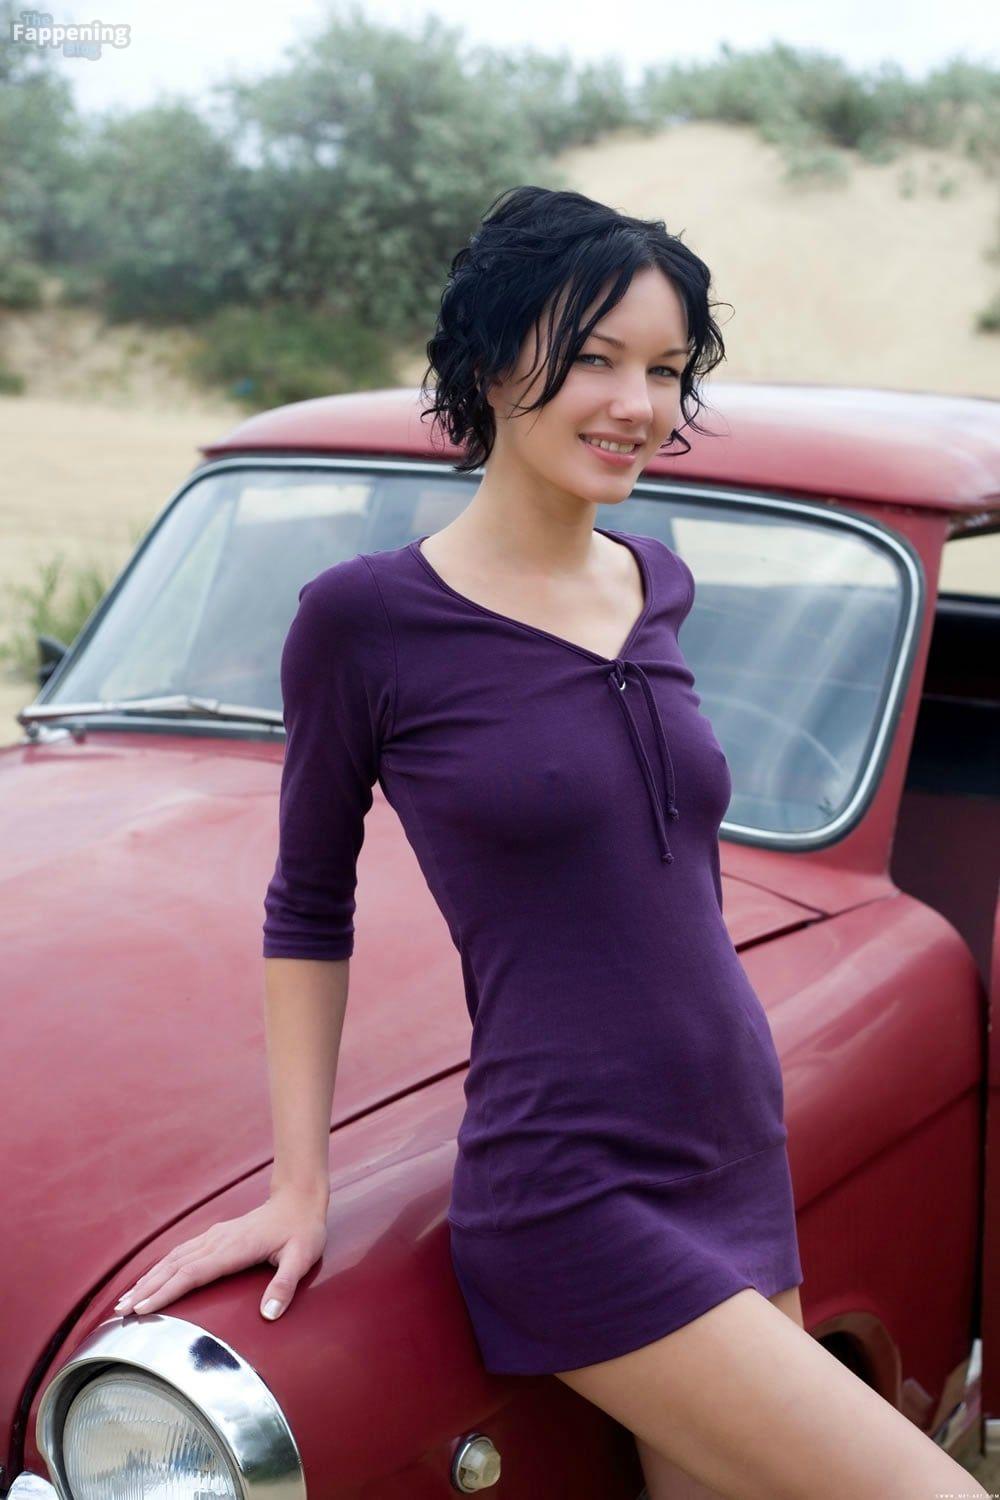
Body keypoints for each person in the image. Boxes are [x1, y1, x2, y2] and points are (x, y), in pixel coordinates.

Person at [112, 186, 989, 1500]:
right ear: (488, 362)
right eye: (594, 357)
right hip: (572, 1188)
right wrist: (301, 1188)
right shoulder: (365, 624)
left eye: (666, 369)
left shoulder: (656, 584)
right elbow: (307, 905)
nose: (637, 403)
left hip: (735, 1143)